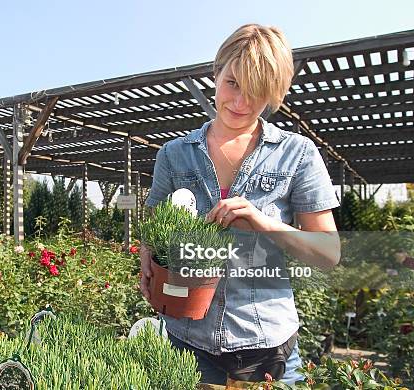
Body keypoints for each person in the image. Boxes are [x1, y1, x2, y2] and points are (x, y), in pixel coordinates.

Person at [140, 24, 341, 387]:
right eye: (232, 83)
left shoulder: (297, 154)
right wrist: (147, 257)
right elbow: (155, 224)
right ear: (216, 73)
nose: (240, 102)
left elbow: (328, 252)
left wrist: (264, 224)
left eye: (257, 91)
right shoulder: (174, 155)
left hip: (266, 347)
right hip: (187, 343)